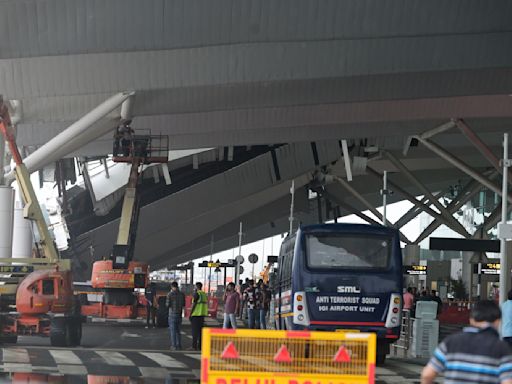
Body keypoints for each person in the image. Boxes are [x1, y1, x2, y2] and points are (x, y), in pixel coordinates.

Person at [421, 300, 512, 384]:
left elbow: (427, 375)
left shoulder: (450, 342)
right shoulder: (501, 347)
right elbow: (507, 381)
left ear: (471, 319)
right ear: (497, 321)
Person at [166, 282, 185, 351]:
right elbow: (184, 304)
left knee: (173, 331)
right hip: (179, 314)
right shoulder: (182, 294)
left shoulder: (170, 294)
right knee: (178, 331)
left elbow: (167, 305)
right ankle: (179, 345)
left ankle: (174, 346)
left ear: (172, 287)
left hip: (172, 314)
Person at [189, 282, 208, 350]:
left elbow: (194, 304)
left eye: (195, 286)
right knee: (200, 332)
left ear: (197, 287)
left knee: (194, 332)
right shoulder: (203, 294)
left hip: (196, 315)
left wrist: (190, 314)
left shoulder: (196, 294)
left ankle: (194, 346)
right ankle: (200, 346)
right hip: (202, 315)